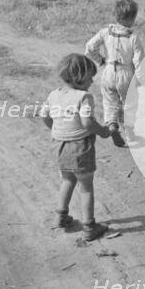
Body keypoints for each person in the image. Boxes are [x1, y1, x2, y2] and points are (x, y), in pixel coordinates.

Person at [41, 53, 111, 241]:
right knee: (86, 187)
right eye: (90, 77)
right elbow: (87, 123)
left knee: (67, 179)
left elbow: (45, 116)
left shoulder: (53, 94)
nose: (92, 81)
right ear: (79, 77)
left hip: (60, 146)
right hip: (80, 147)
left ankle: (60, 216)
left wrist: (57, 129)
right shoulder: (84, 97)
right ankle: (89, 226)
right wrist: (103, 132)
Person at [85, 0, 145, 147]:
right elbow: (140, 61)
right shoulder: (133, 38)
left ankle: (112, 125)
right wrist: (140, 79)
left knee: (109, 102)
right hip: (126, 74)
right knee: (129, 104)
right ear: (132, 18)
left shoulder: (105, 32)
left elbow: (89, 47)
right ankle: (130, 133)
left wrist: (100, 60)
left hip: (109, 71)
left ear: (116, 16)